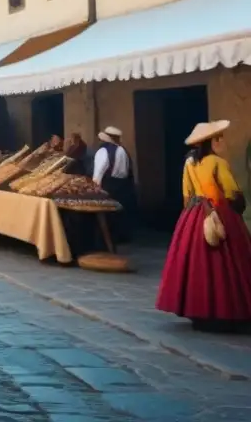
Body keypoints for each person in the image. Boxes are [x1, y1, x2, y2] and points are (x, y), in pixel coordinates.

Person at [156, 120, 251, 332]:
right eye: (220, 138)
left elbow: (186, 193)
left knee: (194, 262)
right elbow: (231, 191)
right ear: (213, 141)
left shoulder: (189, 163)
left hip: (195, 213)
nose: (222, 142)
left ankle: (198, 310)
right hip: (219, 211)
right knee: (229, 262)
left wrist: (190, 215)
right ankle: (229, 310)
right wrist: (237, 207)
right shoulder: (218, 163)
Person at [93, 126, 136, 243]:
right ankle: (121, 237)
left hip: (109, 184)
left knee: (108, 213)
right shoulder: (123, 151)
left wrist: (95, 185)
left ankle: (107, 238)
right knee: (121, 212)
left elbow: (100, 170)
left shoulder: (103, 151)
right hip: (123, 184)